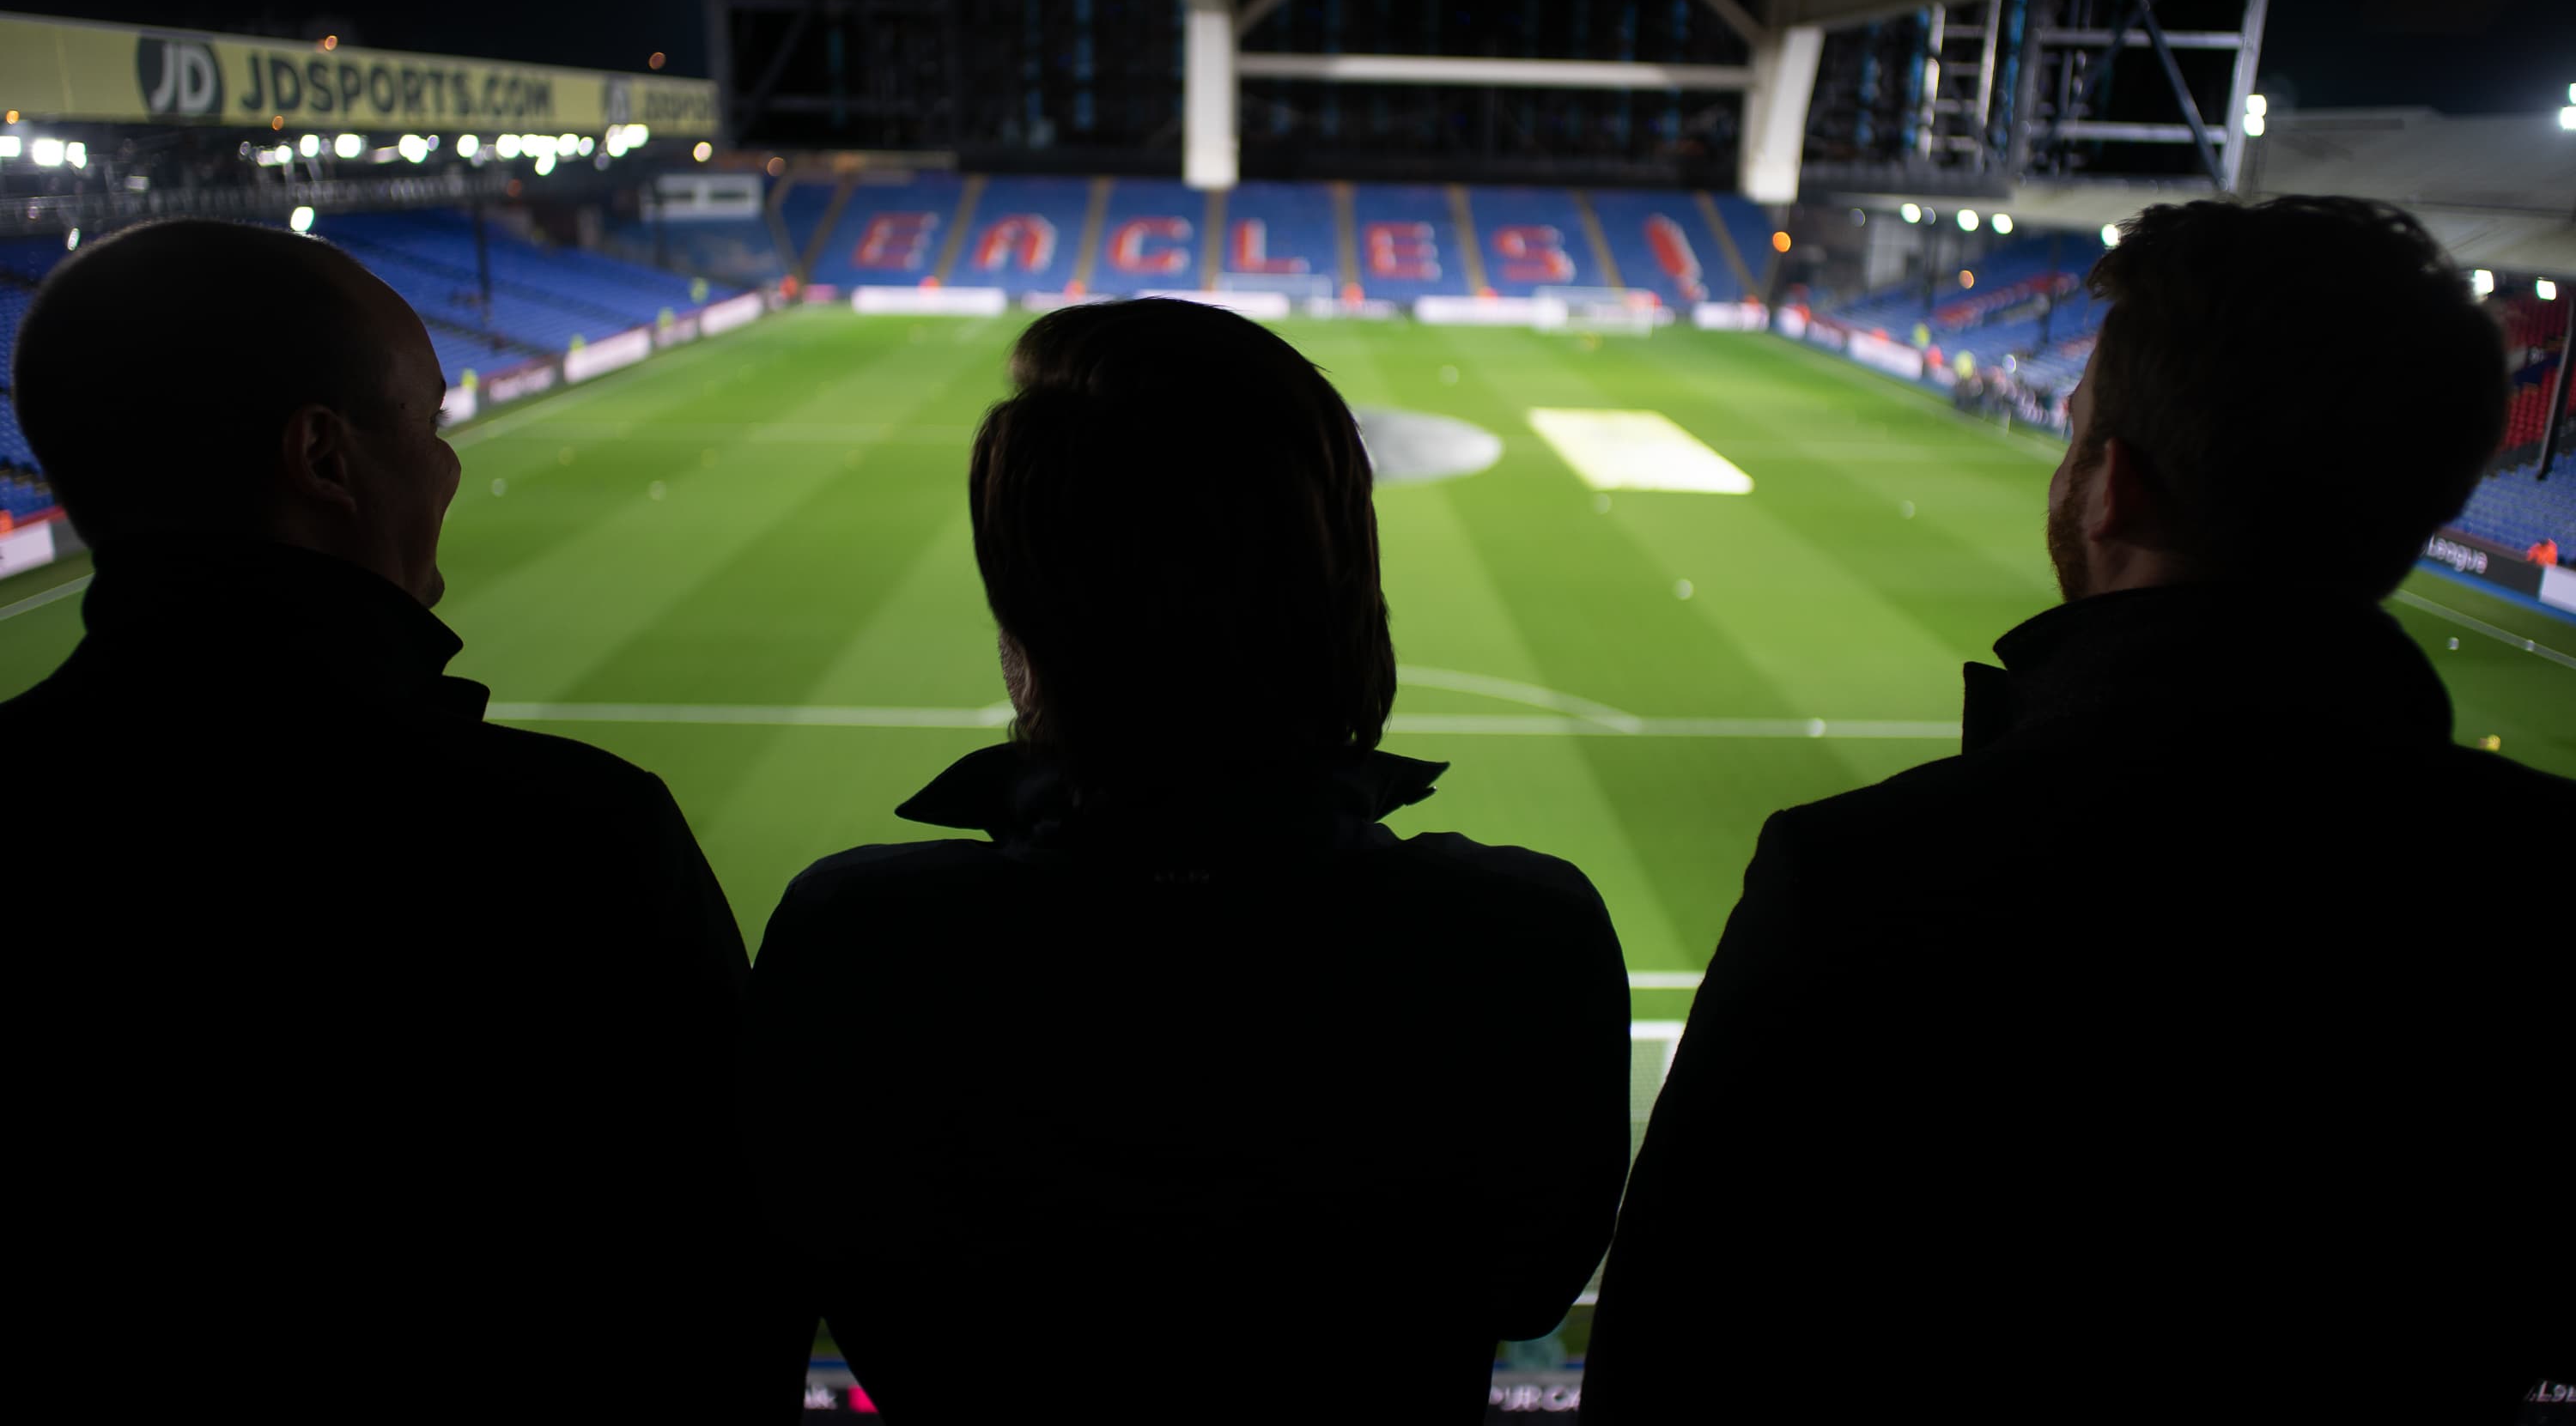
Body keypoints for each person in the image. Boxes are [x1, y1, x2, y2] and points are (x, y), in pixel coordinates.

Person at [1584, 197, 2573, 1423]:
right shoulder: (2549, 887)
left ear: (2114, 489)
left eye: (2075, 431)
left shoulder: (1859, 882)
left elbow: (1676, 1355)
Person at [739, 297, 1630, 1423]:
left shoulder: (857, 946)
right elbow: (1532, 1285)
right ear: (1349, 586)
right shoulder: (1520, 942)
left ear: (1023, 610)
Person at [3, 221, 755, 1413]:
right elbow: (719, 1267)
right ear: (324, 456)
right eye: (430, 424)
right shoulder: (570, 842)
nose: (448, 468)